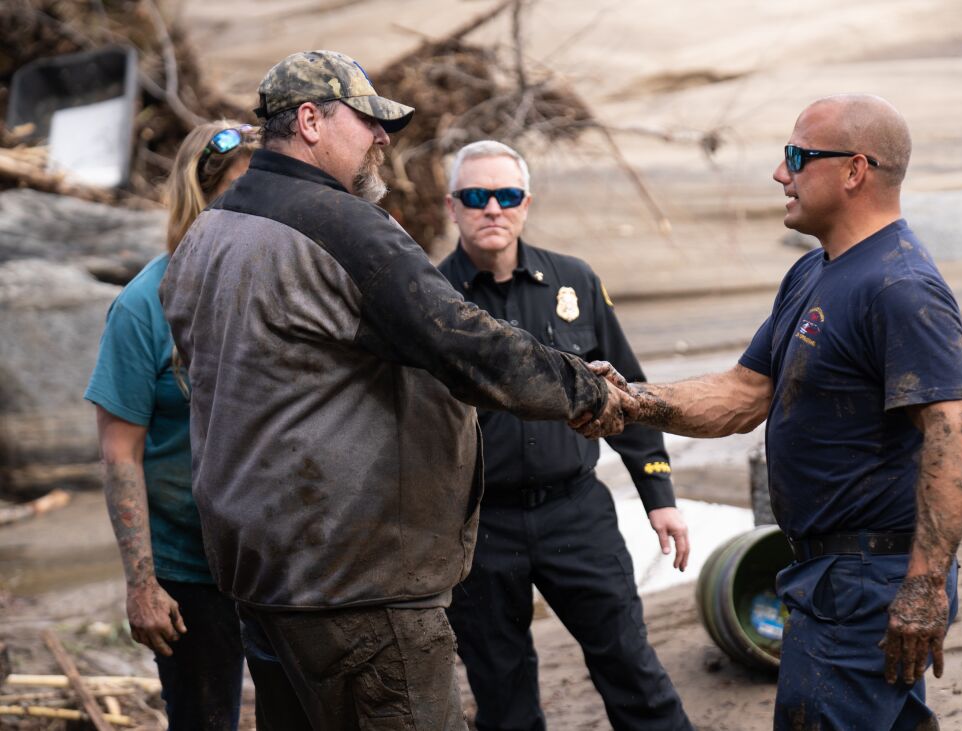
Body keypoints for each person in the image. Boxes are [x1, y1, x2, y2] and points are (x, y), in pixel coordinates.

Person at [157, 50, 631, 730]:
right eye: (368, 121)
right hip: (356, 583)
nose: (383, 139)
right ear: (312, 121)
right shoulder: (341, 226)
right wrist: (585, 388)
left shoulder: (209, 232)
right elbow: (463, 342)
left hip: (261, 577)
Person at [587, 94, 962, 730]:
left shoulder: (902, 286)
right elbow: (745, 393)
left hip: (866, 581)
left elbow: (954, 431)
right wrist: (629, 402)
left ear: (855, 170)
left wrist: (925, 585)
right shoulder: (813, 273)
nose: (780, 173)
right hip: (825, 572)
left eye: (797, 156)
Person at [438, 140, 694, 731]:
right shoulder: (430, 300)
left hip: (576, 513)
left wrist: (660, 498)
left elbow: (628, 395)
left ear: (526, 204)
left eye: (507, 196)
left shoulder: (572, 282)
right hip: (479, 528)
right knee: (501, 696)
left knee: (631, 667)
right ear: (452, 206)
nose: (492, 209)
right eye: (477, 197)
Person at [85, 120, 255, 729]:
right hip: (191, 571)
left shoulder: (283, 288)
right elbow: (119, 452)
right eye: (240, 188)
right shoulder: (143, 306)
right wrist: (142, 586)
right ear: (201, 196)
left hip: (286, 562)